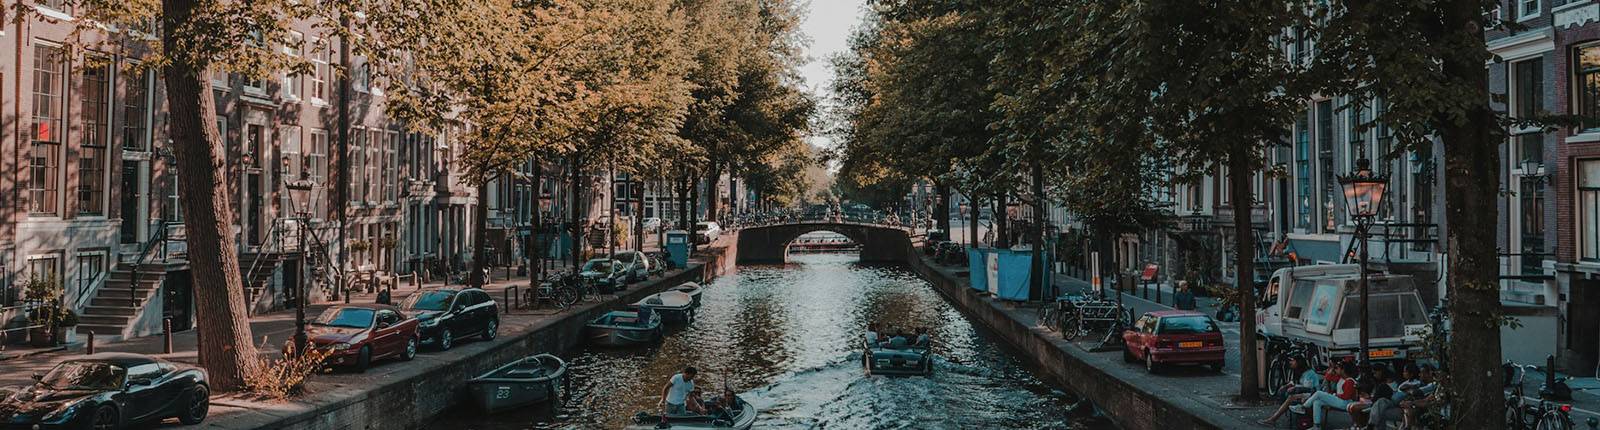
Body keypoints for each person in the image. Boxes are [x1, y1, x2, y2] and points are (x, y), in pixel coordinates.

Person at [1257, 356, 1322, 425]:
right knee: (1288, 394)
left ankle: (1273, 419)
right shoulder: (1299, 371)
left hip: (1313, 394)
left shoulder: (1309, 373)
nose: (1290, 362)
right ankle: (1275, 417)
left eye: (1292, 361)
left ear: (1298, 362)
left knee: (1291, 397)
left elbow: (1307, 388)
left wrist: (1294, 388)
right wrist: (1286, 386)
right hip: (1306, 393)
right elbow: (1295, 382)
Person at [1301, 362, 1360, 428]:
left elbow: (1346, 396)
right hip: (1340, 401)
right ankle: (1316, 426)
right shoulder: (1340, 378)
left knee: (1319, 393)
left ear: (1343, 370)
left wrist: (1335, 395)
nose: (1335, 370)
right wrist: (1331, 368)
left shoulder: (1350, 381)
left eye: (1337, 368)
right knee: (1317, 402)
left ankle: (1304, 406)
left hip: (1346, 403)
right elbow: (1327, 377)